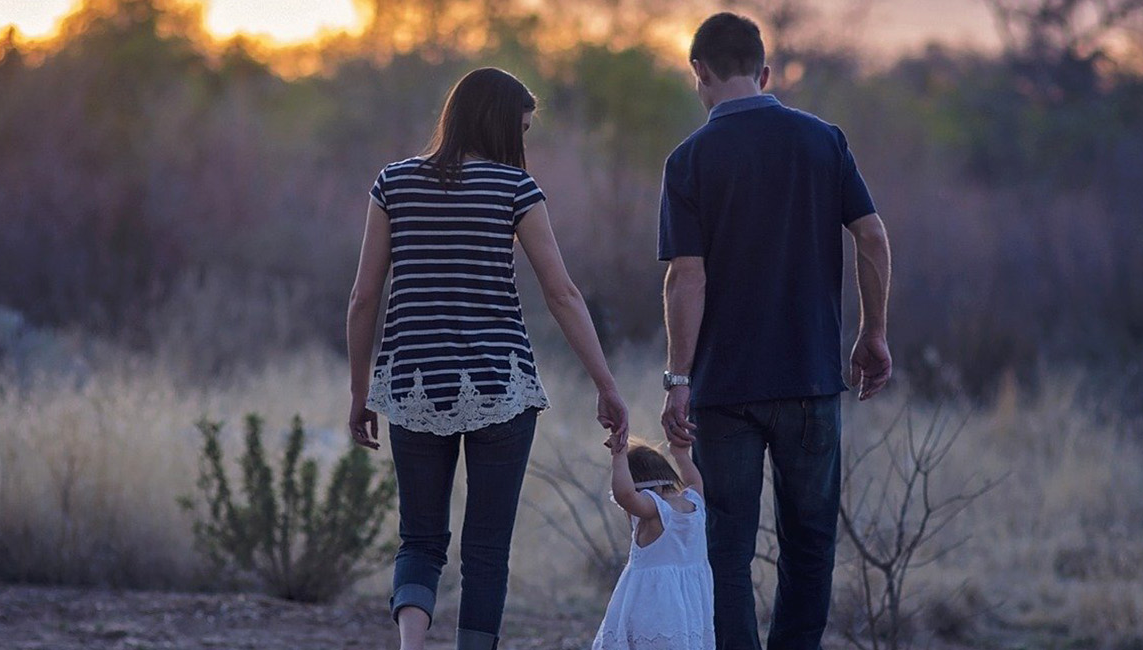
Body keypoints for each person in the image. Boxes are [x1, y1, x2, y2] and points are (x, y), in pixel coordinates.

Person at [345, 67, 630, 650]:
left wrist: (360, 392)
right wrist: (606, 384)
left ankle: (410, 645)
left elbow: (363, 297)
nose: (522, 142)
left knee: (419, 540)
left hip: (413, 384)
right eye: (520, 129)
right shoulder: (515, 189)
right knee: (486, 550)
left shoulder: (392, 184)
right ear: (499, 124)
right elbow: (562, 293)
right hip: (501, 386)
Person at [655, 13, 895, 650]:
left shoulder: (688, 161)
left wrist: (678, 380)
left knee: (726, 550)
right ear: (764, 73)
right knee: (810, 544)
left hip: (724, 390)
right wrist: (873, 332)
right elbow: (871, 236)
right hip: (811, 380)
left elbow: (687, 276)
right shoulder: (824, 141)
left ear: (699, 73)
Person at [591, 434, 714, 650]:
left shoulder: (655, 510)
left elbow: (624, 495)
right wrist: (681, 454)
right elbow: (695, 481)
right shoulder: (694, 501)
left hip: (655, 609)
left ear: (641, 488)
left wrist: (618, 457)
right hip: (689, 609)